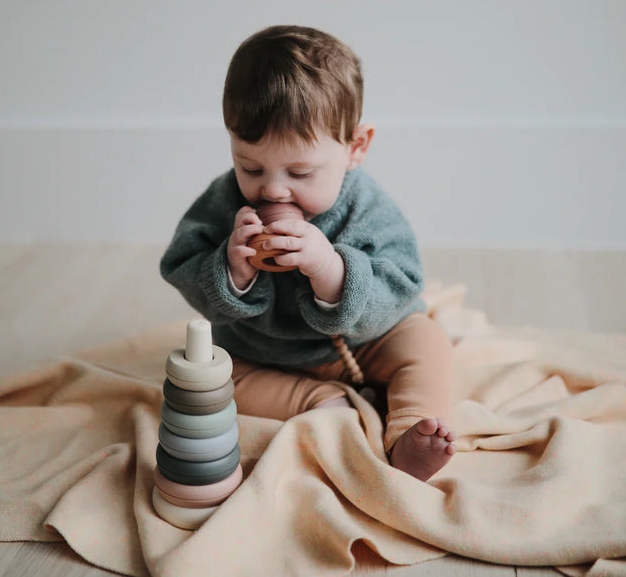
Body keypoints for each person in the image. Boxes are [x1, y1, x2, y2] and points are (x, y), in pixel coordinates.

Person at [160, 25, 456, 481]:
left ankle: (409, 432)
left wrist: (332, 269)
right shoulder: (223, 202)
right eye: (250, 166)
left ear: (355, 148)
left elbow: (401, 281)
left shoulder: (365, 206)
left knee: (427, 341)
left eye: (300, 171)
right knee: (212, 375)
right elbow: (181, 265)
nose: (273, 187)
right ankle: (322, 404)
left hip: (367, 342)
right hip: (262, 353)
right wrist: (230, 269)